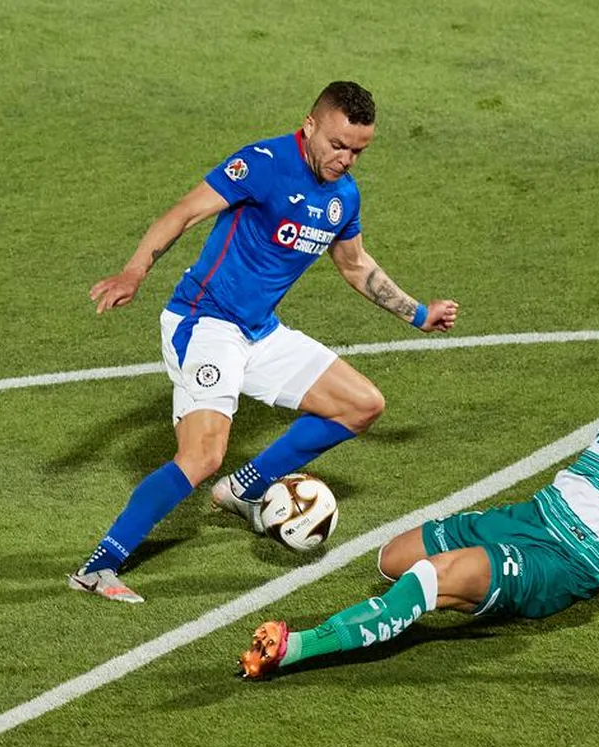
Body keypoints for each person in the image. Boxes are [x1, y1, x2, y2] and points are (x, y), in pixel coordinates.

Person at [69, 81, 460, 603]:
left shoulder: (344, 197)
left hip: (260, 331)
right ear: (311, 125)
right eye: (338, 145)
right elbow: (184, 212)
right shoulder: (263, 162)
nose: (346, 159)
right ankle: (98, 568)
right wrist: (134, 272)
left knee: (362, 405)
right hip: (204, 323)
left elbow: (355, 265)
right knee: (203, 455)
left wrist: (417, 312)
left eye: (358, 151)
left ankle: (246, 488)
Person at [239, 312, 599, 678]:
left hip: (564, 557)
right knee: (394, 560)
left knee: (430, 578)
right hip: (529, 515)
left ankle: (296, 648)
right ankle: (473, 586)